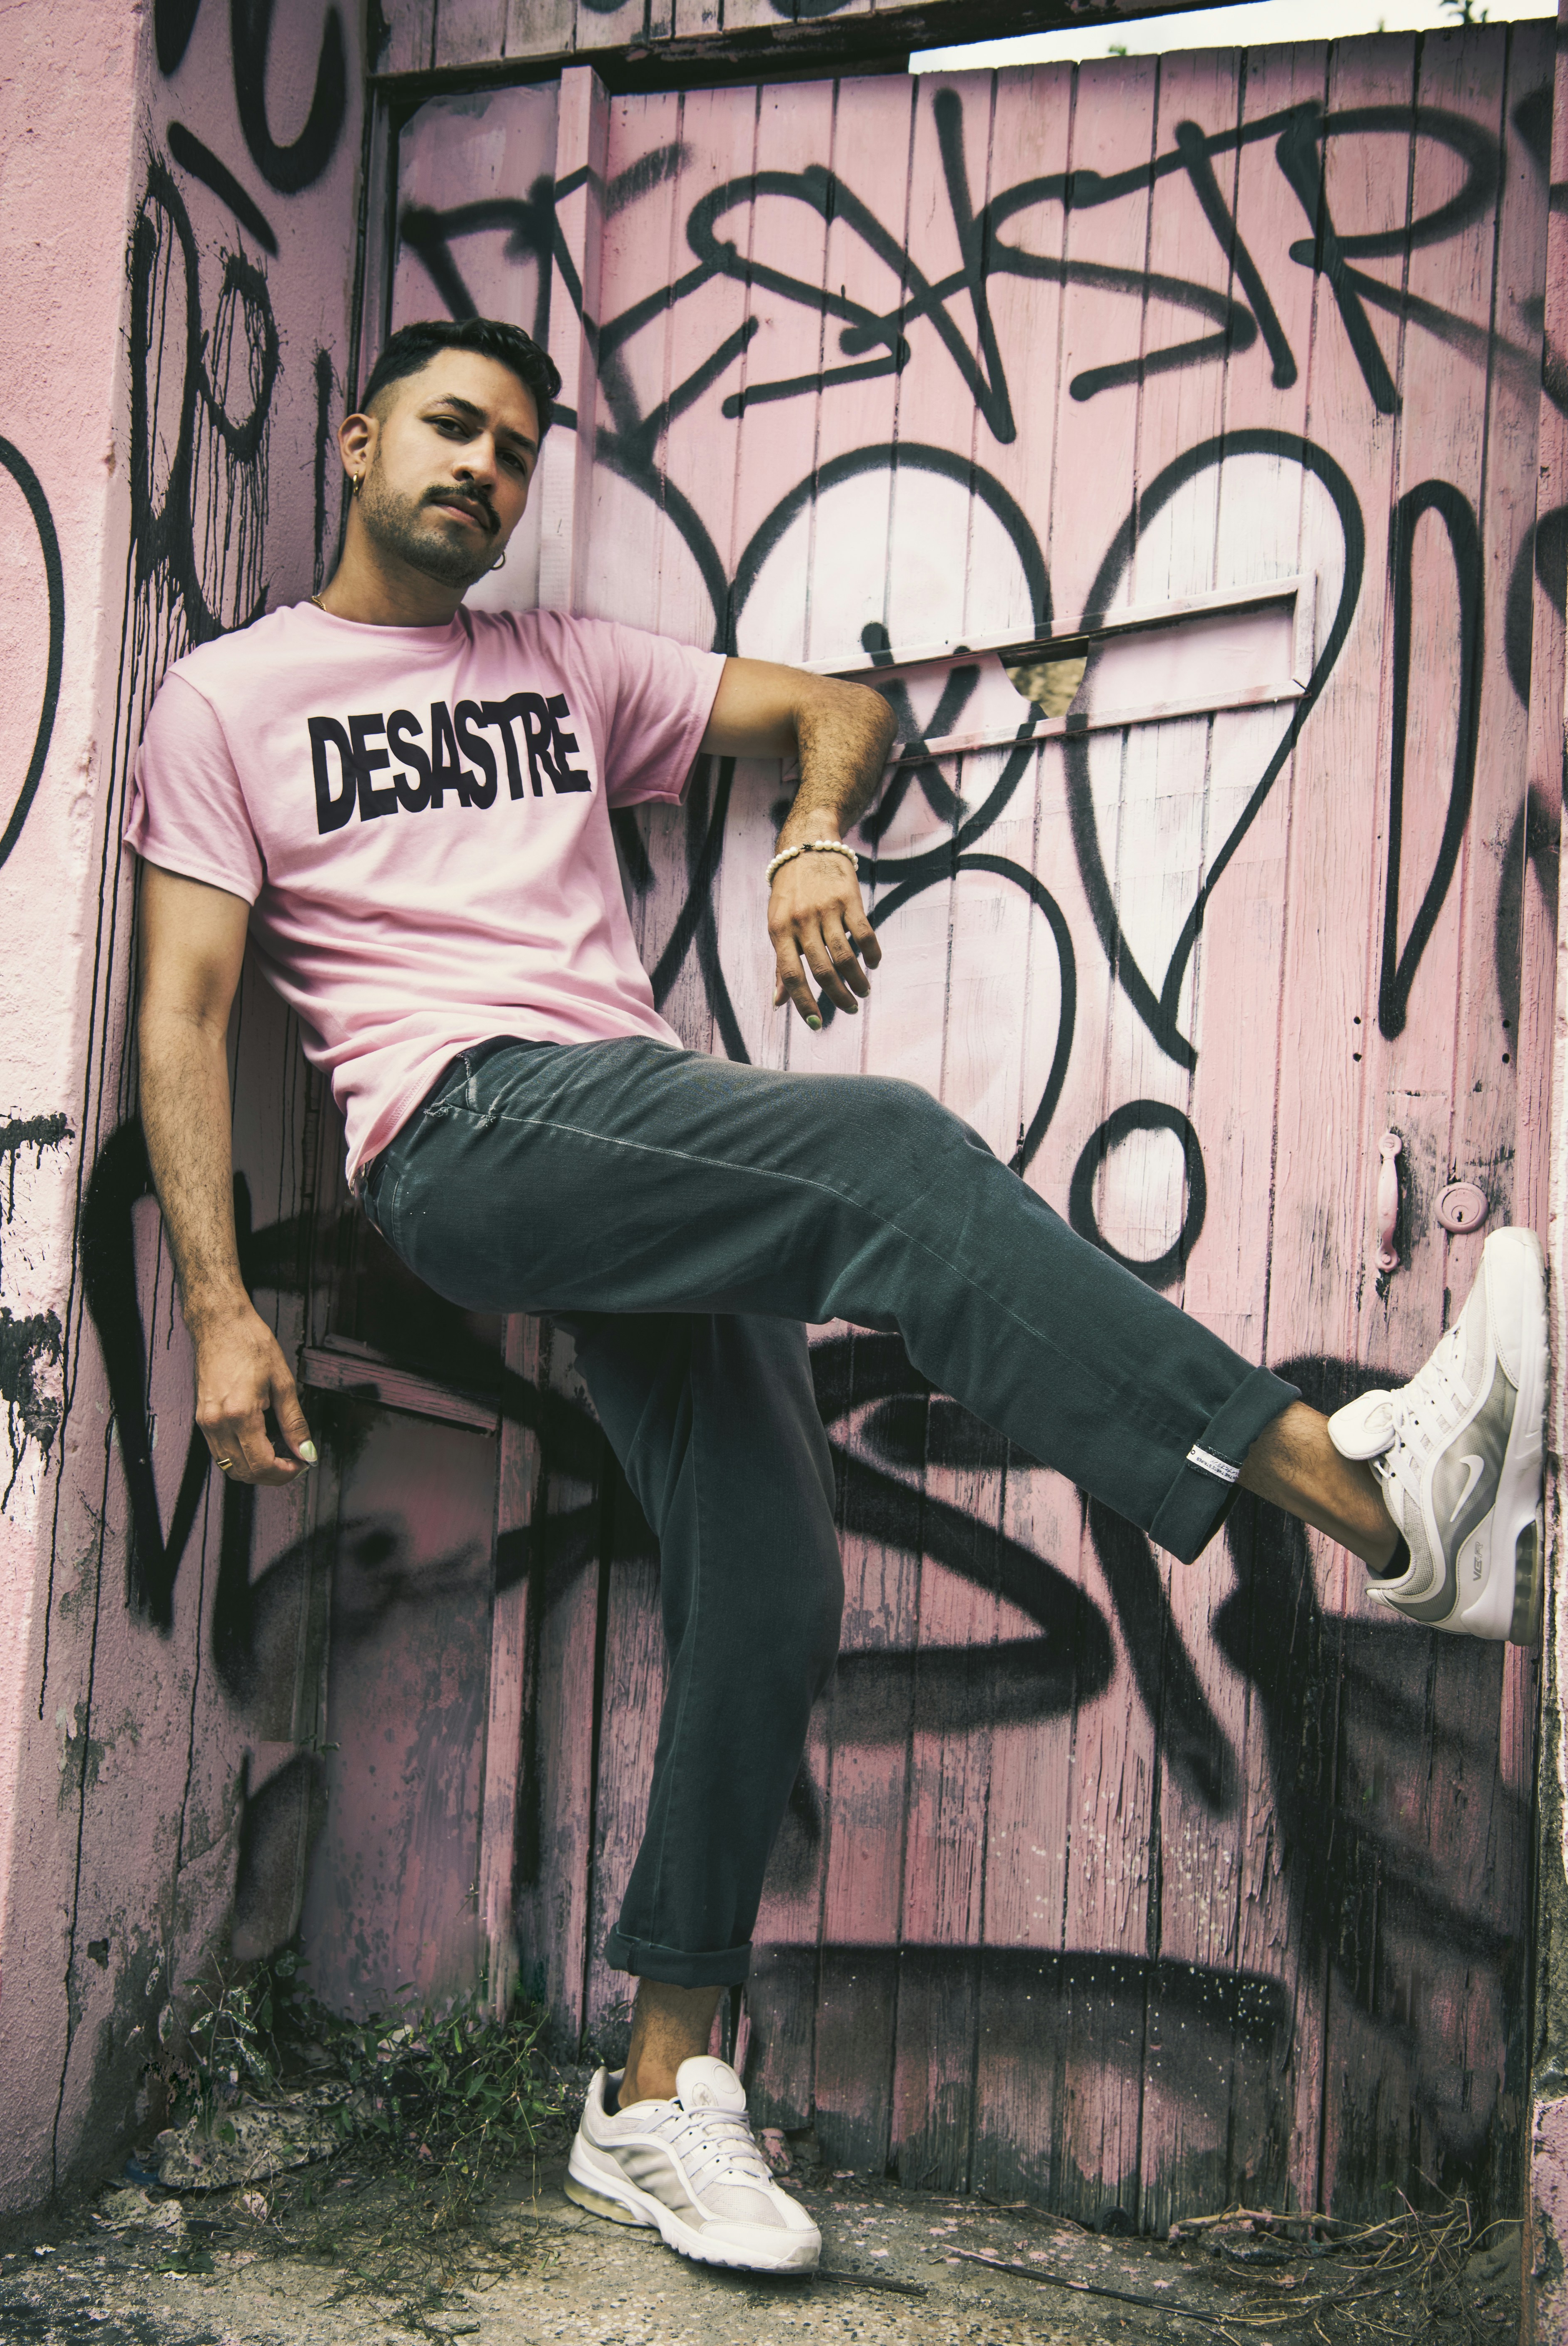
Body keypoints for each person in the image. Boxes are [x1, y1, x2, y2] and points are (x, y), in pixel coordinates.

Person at [126, 316, 1548, 2278]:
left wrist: (807, 828)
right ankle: (1373, 1498)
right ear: (361, 436)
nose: (481, 466)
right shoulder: (231, 698)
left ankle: (647, 2091)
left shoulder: (559, 671)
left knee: (774, 1578)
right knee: (881, 1157)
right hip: (465, 1134)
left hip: (623, 1147)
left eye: (515, 450)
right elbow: (184, 1009)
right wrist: (217, 1299)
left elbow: (835, 710)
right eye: (448, 427)